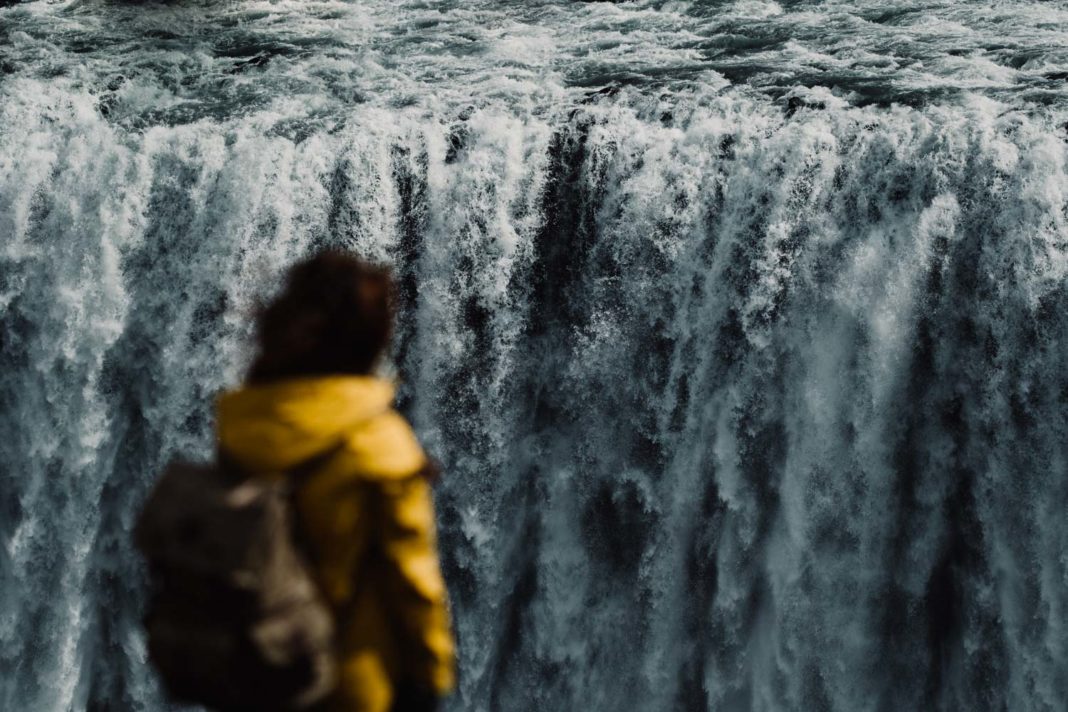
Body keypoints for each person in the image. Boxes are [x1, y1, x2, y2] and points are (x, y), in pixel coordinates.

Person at [213, 250, 456, 712]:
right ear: (371, 340)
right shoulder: (376, 441)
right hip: (348, 684)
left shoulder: (242, 429)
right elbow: (412, 578)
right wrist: (430, 678)